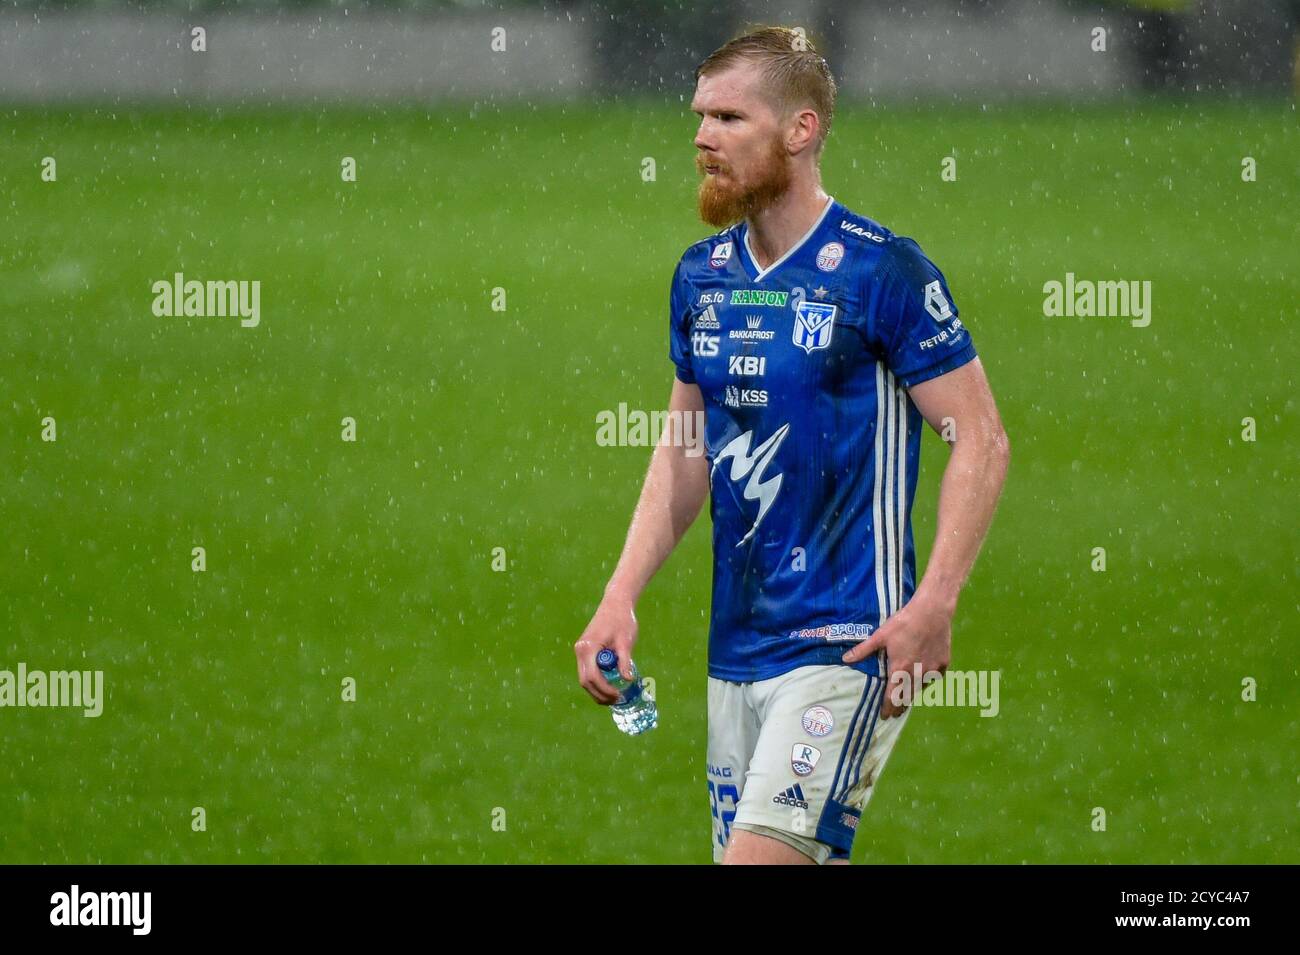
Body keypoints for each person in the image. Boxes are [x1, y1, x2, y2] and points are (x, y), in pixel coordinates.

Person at [574, 25, 1010, 865]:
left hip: (849, 647)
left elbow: (981, 439)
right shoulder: (701, 276)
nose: (703, 137)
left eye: (730, 117)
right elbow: (685, 449)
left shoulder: (884, 272)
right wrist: (620, 593)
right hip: (735, 652)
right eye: (699, 116)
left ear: (800, 131)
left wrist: (936, 601)